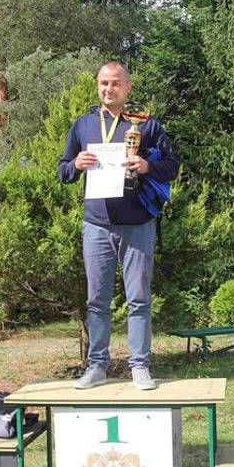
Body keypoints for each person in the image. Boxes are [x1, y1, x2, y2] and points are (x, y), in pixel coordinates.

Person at [57, 61, 179, 390]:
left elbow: (172, 165)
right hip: (96, 225)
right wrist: (76, 164)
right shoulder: (83, 126)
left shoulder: (147, 125)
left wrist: (146, 164)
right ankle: (97, 365)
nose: (108, 89)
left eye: (115, 83)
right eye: (103, 83)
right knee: (96, 300)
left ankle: (140, 365)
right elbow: (63, 172)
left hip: (138, 223)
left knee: (138, 298)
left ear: (127, 88)